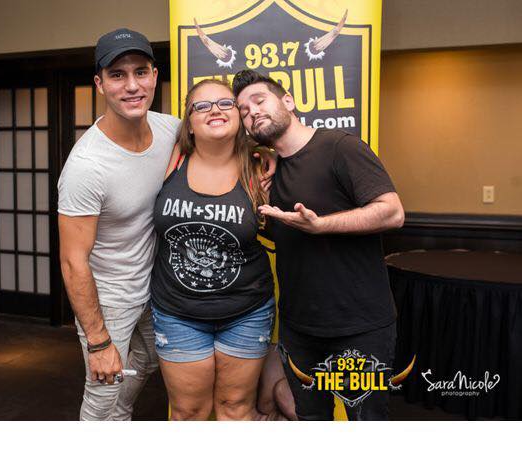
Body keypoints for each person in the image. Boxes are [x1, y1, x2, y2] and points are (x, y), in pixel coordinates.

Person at [232, 70, 405, 421]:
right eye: (244, 111)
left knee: (366, 421)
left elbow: (392, 212)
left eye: (259, 101)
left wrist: (321, 225)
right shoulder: (268, 169)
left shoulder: (341, 148)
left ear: (288, 101)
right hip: (300, 328)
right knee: (311, 419)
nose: (252, 112)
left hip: (359, 327)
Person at [58, 28, 180, 420]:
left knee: (148, 361)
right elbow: (73, 261)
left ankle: (120, 418)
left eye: (140, 72)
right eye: (117, 75)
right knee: (102, 394)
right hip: (108, 298)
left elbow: (221, 143)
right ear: (100, 84)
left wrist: (264, 156)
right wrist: (98, 342)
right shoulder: (86, 166)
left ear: (155, 76)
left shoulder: (170, 129)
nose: (131, 86)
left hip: (152, 285)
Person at [149, 78, 276, 420]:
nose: (214, 111)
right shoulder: (170, 159)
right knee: (188, 413)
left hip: (247, 311)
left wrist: (270, 153)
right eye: (201, 106)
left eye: (224, 103)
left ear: (238, 115)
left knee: (235, 410)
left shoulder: (260, 167)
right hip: (177, 313)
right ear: (189, 123)